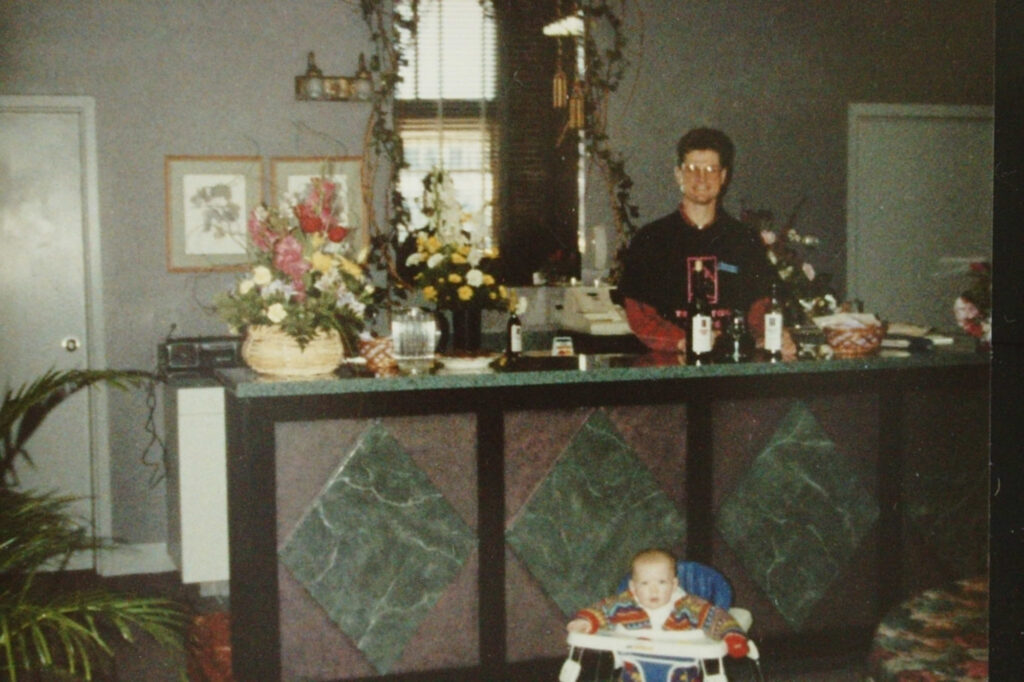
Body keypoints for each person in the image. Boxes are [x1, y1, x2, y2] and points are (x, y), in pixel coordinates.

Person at [617, 128, 779, 354]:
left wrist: (771, 336)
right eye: (692, 168)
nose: (701, 178)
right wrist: (684, 340)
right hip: (671, 370)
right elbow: (640, 316)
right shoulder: (650, 240)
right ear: (678, 174)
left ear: (723, 177)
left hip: (731, 368)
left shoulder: (745, 240)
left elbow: (761, 307)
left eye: (710, 169)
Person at [566, 548, 750, 659]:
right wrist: (586, 621)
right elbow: (602, 610)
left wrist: (731, 635)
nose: (653, 591)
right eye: (645, 584)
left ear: (674, 584)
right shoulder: (624, 604)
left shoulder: (688, 606)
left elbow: (716, 617)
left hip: (681, 671)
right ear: (633, 586)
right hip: (636, 670)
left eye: (661, 583)